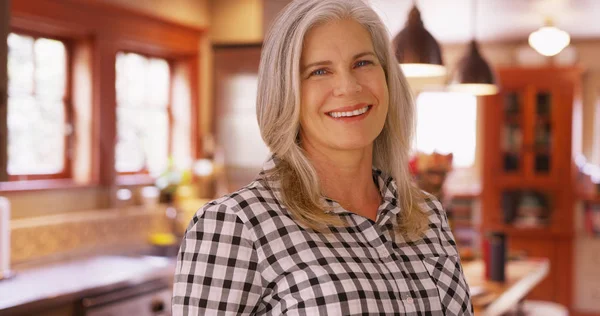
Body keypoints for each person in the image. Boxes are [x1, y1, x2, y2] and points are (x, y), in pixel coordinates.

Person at [172, 0, 473, 315]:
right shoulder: (234, 226)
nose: (348, 86)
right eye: (319, 71)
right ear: (286, 93)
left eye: (362, 63)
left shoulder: (427, 214)